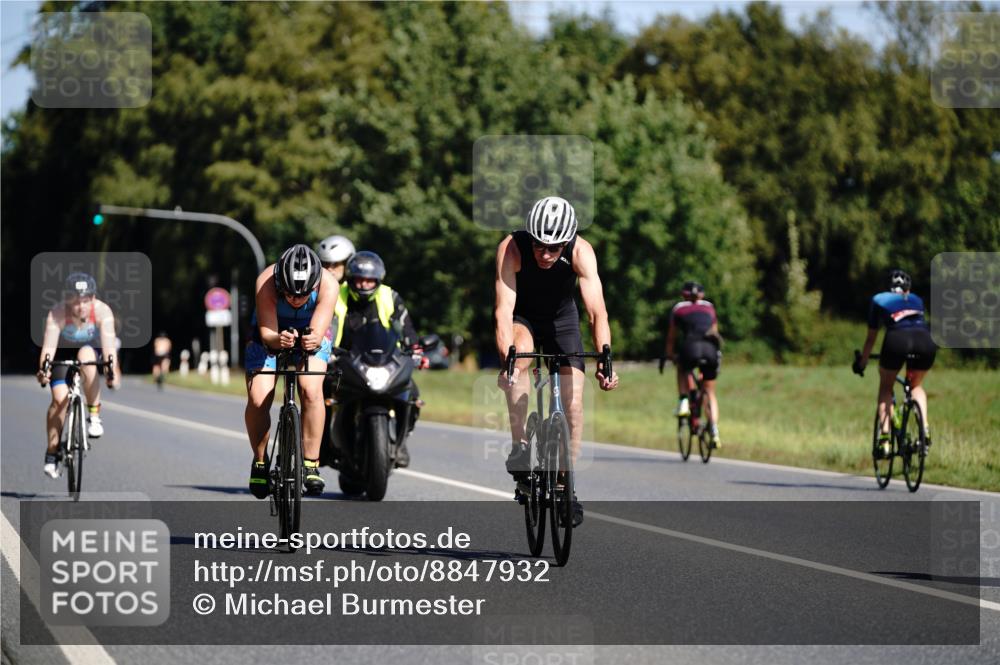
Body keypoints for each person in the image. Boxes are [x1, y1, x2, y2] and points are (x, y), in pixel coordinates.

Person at [494, 195, 619, 527]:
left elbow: (597, 312)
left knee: (574, 403)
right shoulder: (513, 247)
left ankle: (565, 487)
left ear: (567, 241)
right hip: (525, 319)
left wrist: (605, 359)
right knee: (519, 360)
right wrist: (507, 360)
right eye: (540, 246)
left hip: (563, 322)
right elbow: (503, 310)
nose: (546, 254)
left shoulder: (581, 252)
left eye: (554, 248)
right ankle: (520, 445)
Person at [245, 244, 338, 498]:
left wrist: (312, 340)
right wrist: (279, 340)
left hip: (312, 332)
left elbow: (318, 332)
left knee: (310, 389)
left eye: (303, 295)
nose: (295, 299)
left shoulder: (328, 283)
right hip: (271, 332)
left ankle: (311, 464)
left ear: (315, 285)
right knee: (258, 397)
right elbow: (266, 334)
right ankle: (261, 461)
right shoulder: (266, 280)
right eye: (288, 293)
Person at [329, 250, 426, 468]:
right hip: (343, 361)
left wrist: (416, 350)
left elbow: (406, 327)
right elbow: (328, 325)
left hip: (383, 361)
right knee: (320, 391)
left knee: (412, 393)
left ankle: (401, 443)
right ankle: (322, 446)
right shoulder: (336, 295)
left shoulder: (389, 296)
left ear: (378, 279)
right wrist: (326, 350)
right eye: (359, 279)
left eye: (369, 280)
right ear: (351, 279)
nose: (364, 284)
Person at [36, 272, 120, 478]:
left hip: (89, 349)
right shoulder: (57, 313)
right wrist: (44, 371)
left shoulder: (102, 311)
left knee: (87, 356)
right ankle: (52, 452)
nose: (81, 306)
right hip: (63, 353)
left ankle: (94, 415)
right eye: (75, 300)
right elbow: (48, 348)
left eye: (86, 300)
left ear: (92, 298)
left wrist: (111, 372)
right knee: (59, 400)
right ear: (67, 299)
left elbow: (109, 349)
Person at [853, 269, 936, 454]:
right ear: (908, 288)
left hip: (897, 339)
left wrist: (862, 363)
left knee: (886, 387)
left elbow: (871, 339)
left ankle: (884, 439)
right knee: (915, 387)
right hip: (925, 339)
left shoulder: (879, 299)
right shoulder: (916, 299)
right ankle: (924, 430)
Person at [661, 281, 723, 448]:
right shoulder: (710, 307)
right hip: (710, 350)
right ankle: (714, 430)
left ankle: (683, 401)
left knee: (682, 368)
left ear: (684, 294)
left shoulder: (679, 308)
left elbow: (671, 337)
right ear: (702, 295)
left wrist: (669, 354)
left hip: (690, 347)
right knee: (709, 391)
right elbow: (714, 332)